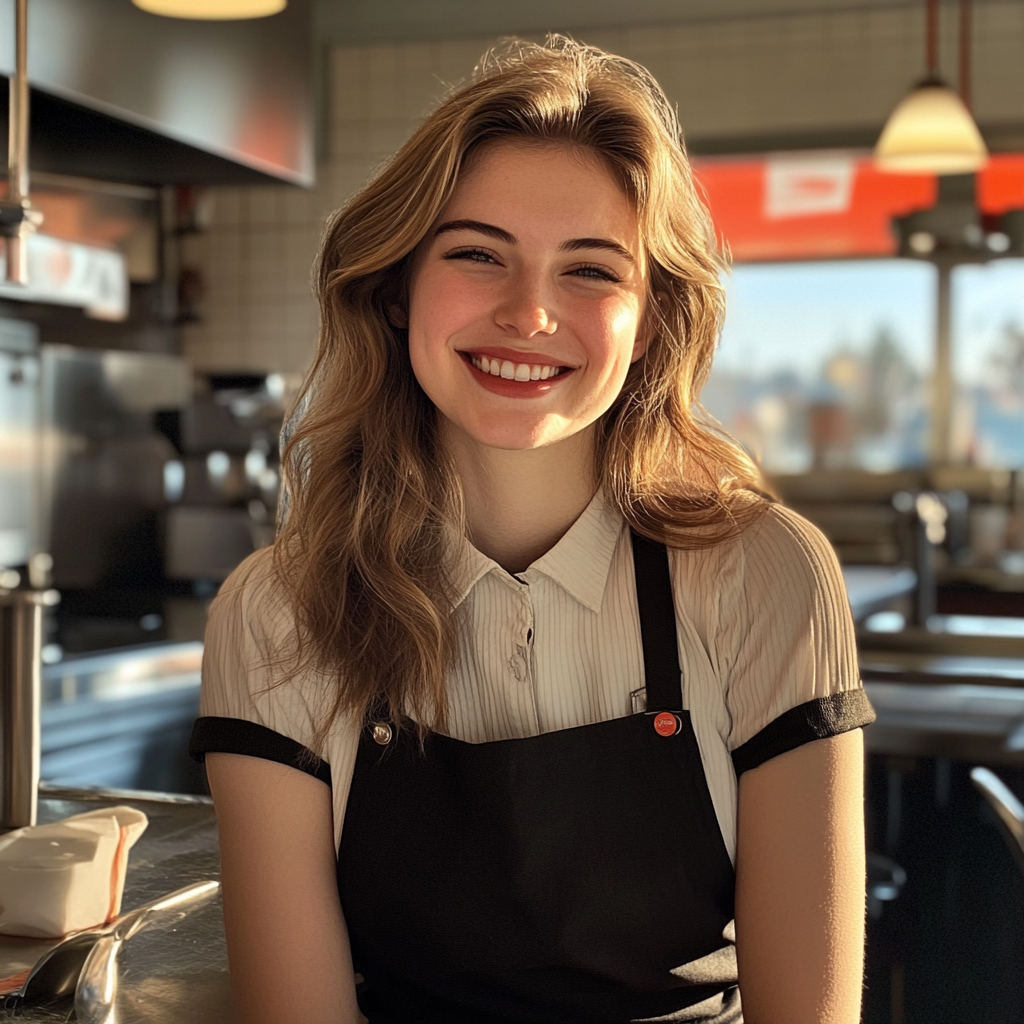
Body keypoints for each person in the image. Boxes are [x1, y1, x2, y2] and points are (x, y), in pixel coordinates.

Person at [190, 37, 875, 1024]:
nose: (529, 312)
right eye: (476, 253)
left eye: (591, 270)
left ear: (652, 318)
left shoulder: (761, 572)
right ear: (395, 288)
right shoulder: (277, 608)